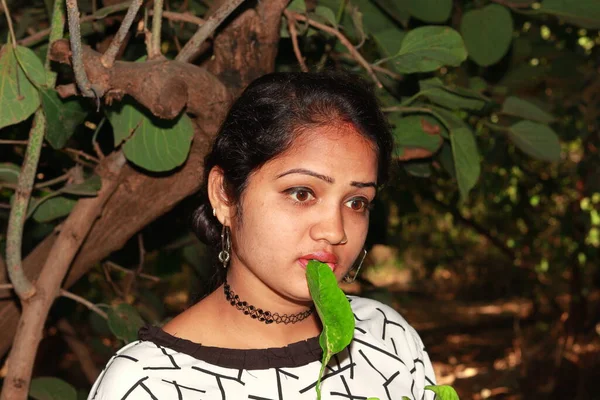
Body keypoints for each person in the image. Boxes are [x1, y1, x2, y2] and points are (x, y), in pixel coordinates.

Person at [88, 72, 437, 399]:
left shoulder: (387, 337)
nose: (335, 230)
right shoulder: (148, 383)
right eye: (302, 193)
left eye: (357, 201)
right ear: (225, 196)